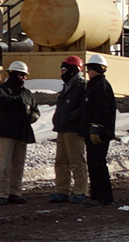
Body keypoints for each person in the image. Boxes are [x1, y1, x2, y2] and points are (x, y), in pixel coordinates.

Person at [0, 61, 37, 202]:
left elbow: (35, 110)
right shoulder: (1, 90)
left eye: (25, 75)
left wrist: (32, 117)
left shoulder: (27, 93)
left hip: (21, 132)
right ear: (14, 74)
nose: (24, 78)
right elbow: (0, 102)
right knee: (4, 164)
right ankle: (2, 194)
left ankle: (14, 192)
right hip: (6, 132)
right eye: (22, 75)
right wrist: (20, 102)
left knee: (18, 164)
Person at [49, 56, 90, 203]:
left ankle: (81, 191)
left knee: (76, 161)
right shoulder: (67, 87)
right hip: (63, 128)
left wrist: (72, 117)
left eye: (64, 68)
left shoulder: (82, 87)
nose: (61, 72)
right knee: (61, 162)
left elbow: (85, 108)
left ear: (73, 70)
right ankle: (62, 190)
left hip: (74, 130)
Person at [82, 55, 118, 205]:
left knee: (97, 164)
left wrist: (96, 130)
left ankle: (103, 197)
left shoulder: (100, 86)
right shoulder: (94, 85)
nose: (87, 71)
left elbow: (102, 109)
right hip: (94, 132)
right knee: (93, 164)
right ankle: (96, 195)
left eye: (89, 68)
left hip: (99, 133)